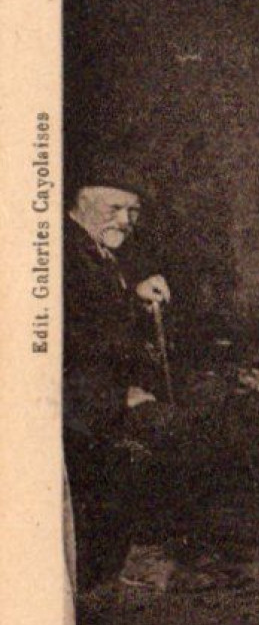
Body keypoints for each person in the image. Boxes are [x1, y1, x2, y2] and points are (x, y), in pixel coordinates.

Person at [64, 163, 172, 592]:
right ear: (80, 203)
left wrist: (134, 294)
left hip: (94, 399)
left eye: (134, 211)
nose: (126, 221)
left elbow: (101, 315)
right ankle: (98, 582)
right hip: (75, 406)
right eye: (115, 208)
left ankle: (111, 570)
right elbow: (69, 336)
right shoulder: (62, 253)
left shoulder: (93, 249)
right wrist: (115, 395)